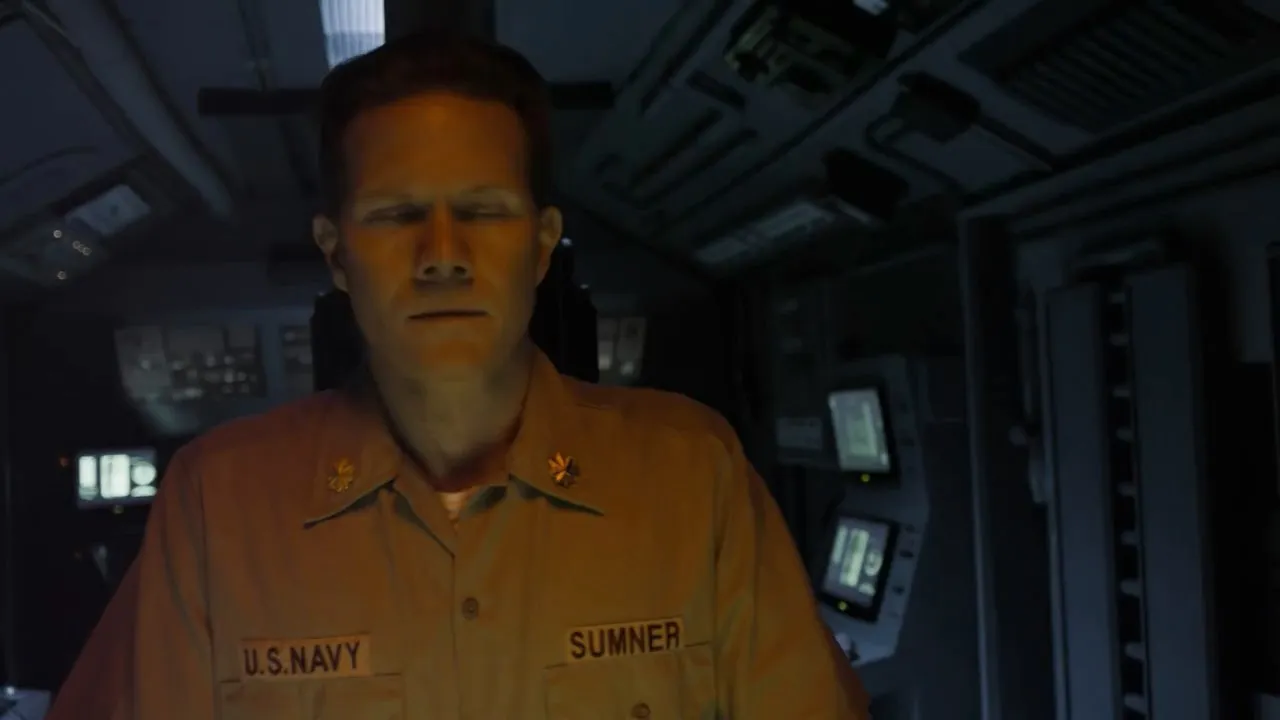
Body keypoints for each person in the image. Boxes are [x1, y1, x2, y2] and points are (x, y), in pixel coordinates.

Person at [47, 30, 870, 719]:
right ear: (337, 255)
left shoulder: (693, 478)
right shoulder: (215, 506)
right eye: (397, 215)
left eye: (482, 211)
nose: (442, 255)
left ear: (541, 247)